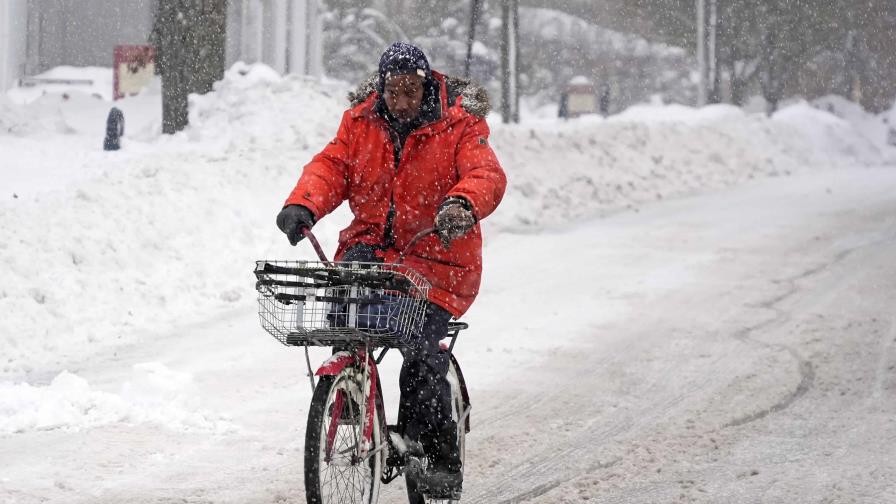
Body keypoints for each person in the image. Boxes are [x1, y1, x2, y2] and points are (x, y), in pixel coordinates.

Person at [275, 42, 506, 495]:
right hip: (373, 251)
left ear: (425, 88)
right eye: (393, 92)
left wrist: (461, 204)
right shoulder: (360, 121)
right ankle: (353, 386)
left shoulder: (459, 124)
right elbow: (331, 166)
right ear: (381, 89)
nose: (401, 103)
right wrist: (303, 203)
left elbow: (486, 173)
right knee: (345, 315)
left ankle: (439, 457)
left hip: (437, 258)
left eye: (410, 92)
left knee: (421, 354)